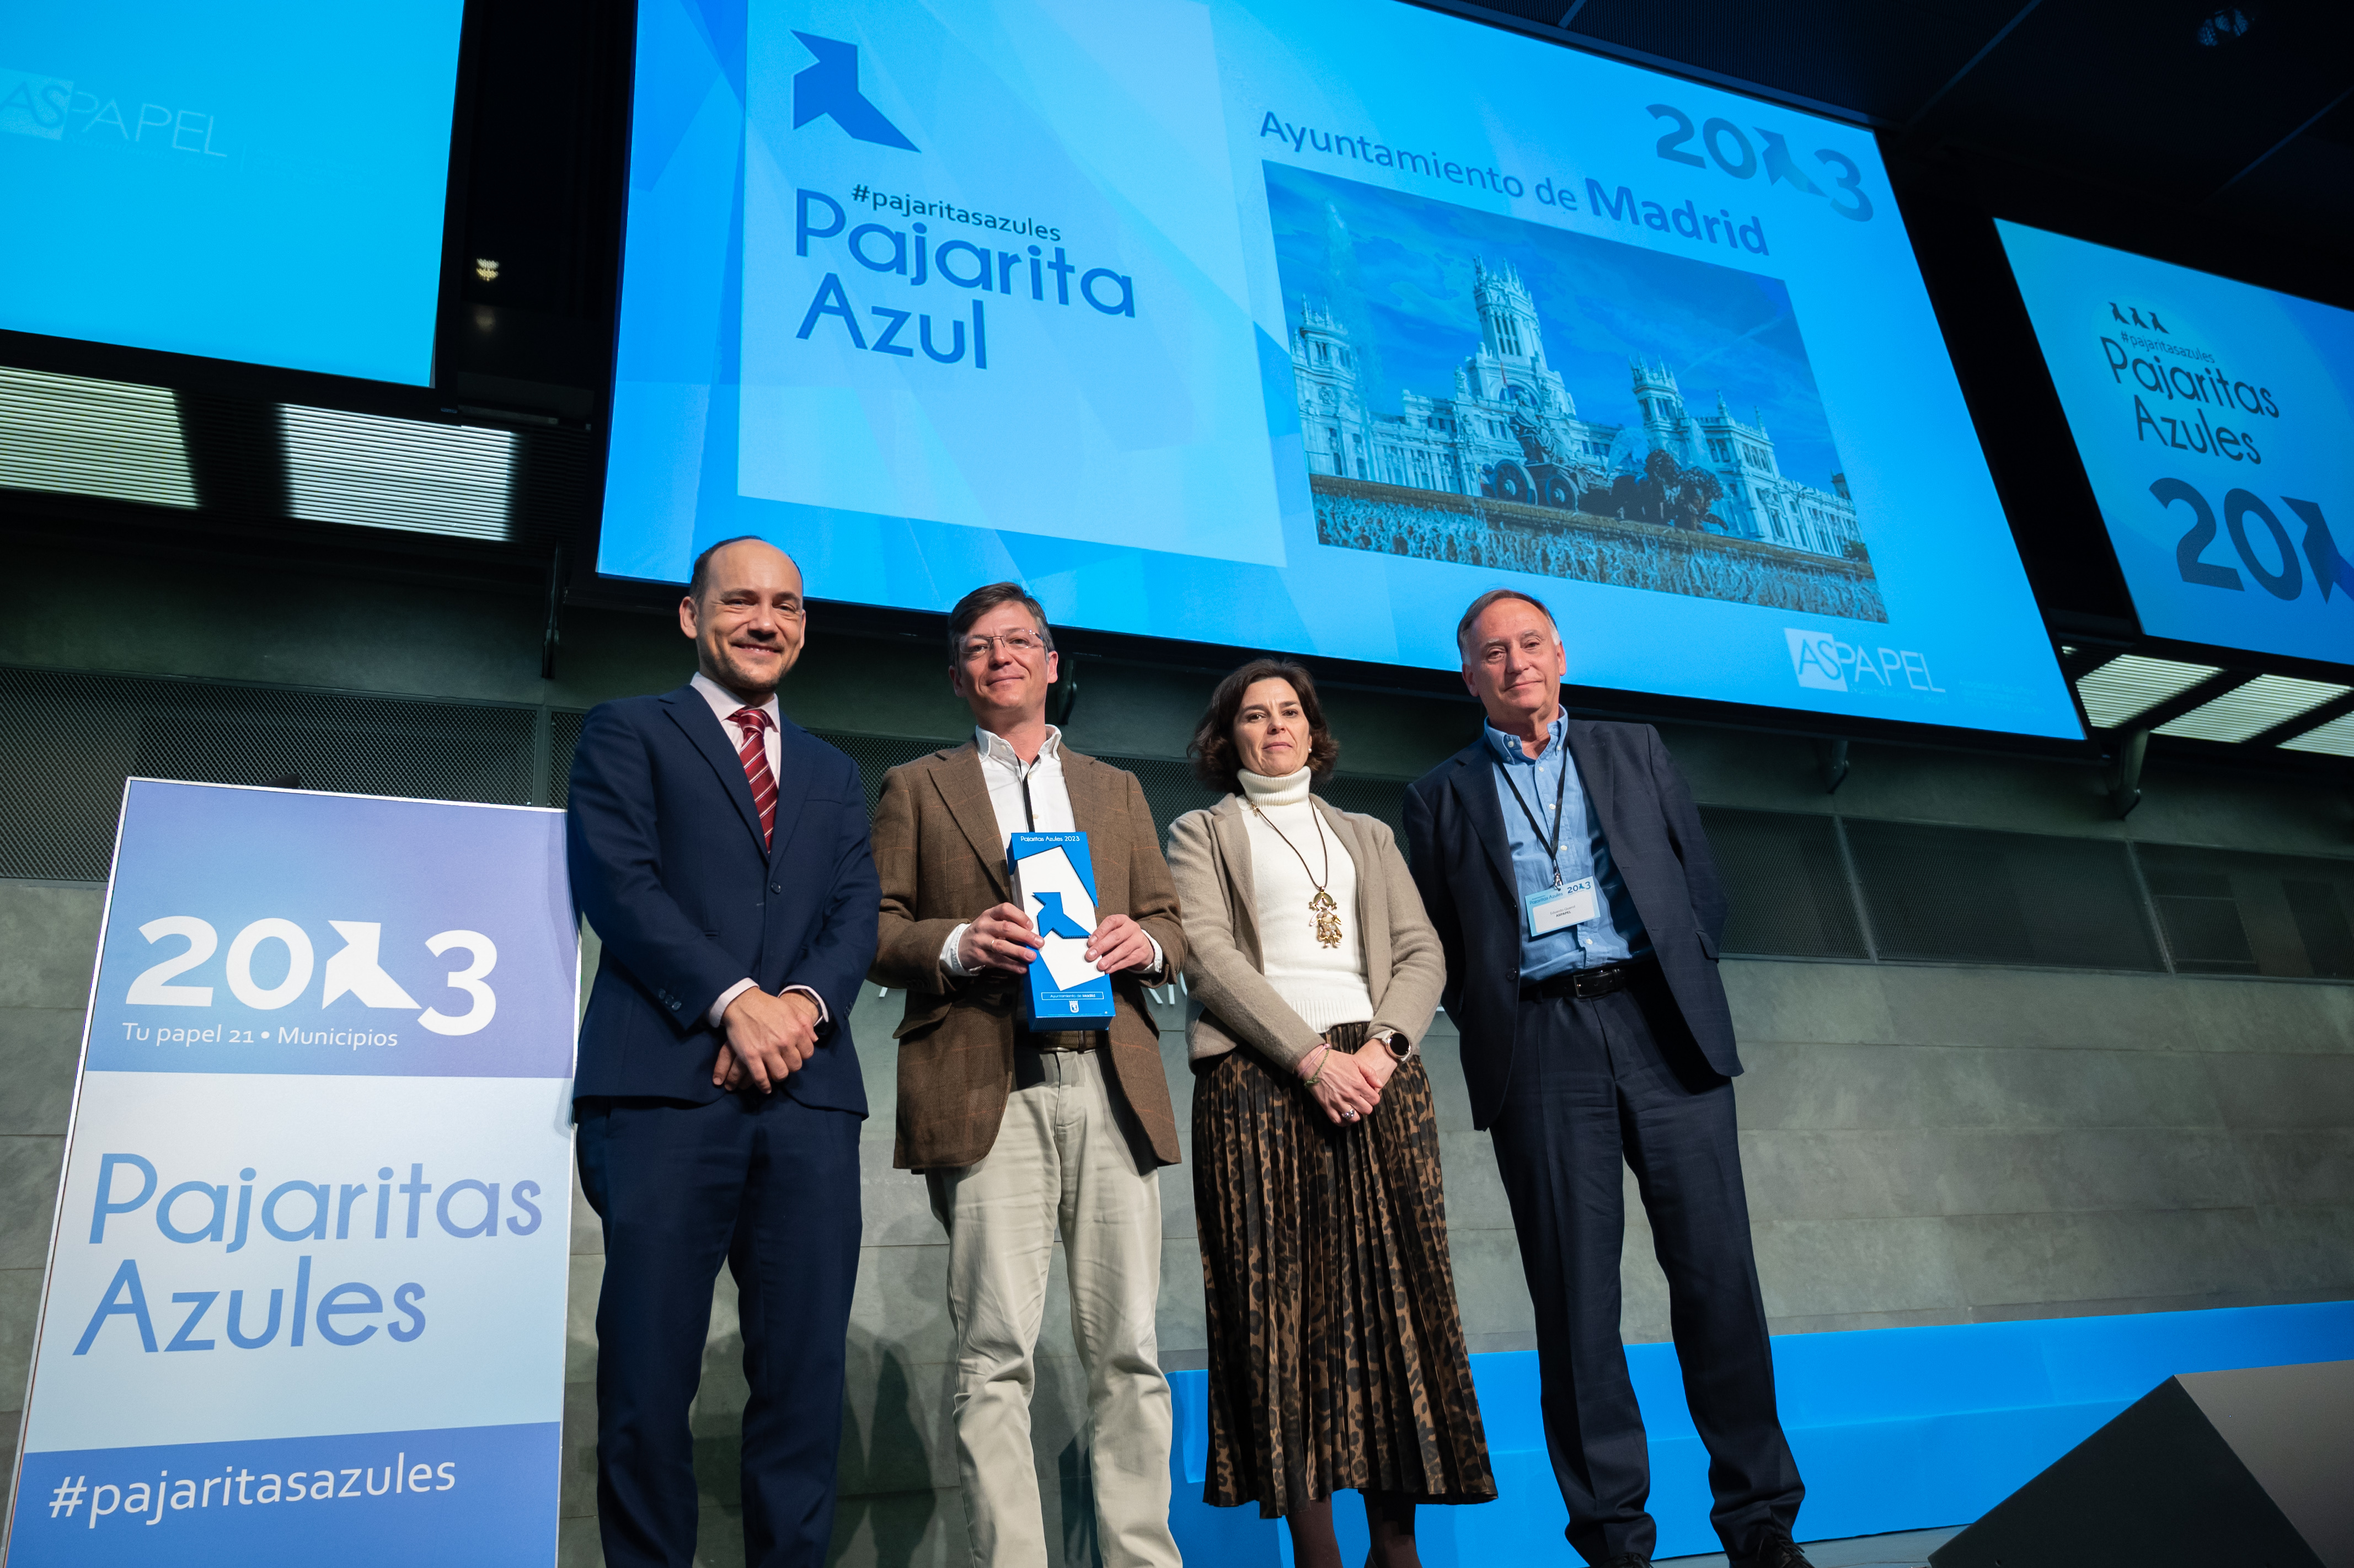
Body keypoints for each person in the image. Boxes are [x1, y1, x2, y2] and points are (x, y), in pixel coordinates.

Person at [1402, 589, 1808, 1568]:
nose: (1515, 664)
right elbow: (1437, 942)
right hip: (1540, 1047)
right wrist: (1504, 1015)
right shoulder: (1439, 793)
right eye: (1492, 653)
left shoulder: (1635, 748)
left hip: (1662, 1026)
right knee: (1575, 1303)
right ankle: (1616, 1542)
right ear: (1469, 676)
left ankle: (1760, 1527)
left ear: (1561, 655)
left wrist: (1674, 971)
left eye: (1530, 644)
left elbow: (1698, 883)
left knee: (1719, 1282)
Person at [566, 536, 879, 1568]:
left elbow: (853, 914)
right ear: (691, 617)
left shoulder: (835, 772)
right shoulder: (626, 732)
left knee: (802, 1387)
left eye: (786, 604)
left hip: (810, 1102)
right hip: (663, 1093)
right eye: (740, 601)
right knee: (647, 1387)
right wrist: (732, 1001)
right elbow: (619, 883)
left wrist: (796, 1008)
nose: (765, 621)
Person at [868, 582, 1187, 1568]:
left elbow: (1175, 929)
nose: (1000, 656)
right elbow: (874, 933)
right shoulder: (916, 788)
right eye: (978, 646)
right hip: (983, 1082)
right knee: (994, 1354)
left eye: (1020, 641)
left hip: (1110, 1080)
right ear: (957, 674)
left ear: (1053, 663)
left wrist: (1146, 944)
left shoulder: (1117, 788)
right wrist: (963, 941)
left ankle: (1141, 1558)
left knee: (1130, 1352)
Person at [1167, 659, 1494, 1568]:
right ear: (1226, 738)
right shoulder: (1201, 829)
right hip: (1259, 1081)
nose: (1275, 727)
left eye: (1289, 713)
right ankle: (1318, 1558)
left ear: (1313, 729)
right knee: (1282, 1315)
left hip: (1378, 1076)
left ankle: (1398, 1551)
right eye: (1253, 716)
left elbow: (1422, 952)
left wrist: (1381, 1051)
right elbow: (1208, 955)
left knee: (1397, 1307)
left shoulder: (1366, 833)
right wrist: (1312, 1060)